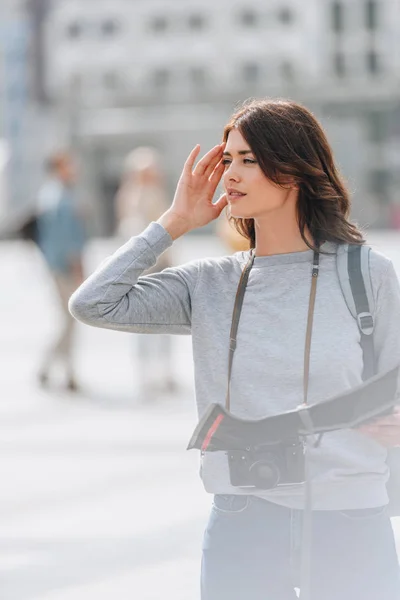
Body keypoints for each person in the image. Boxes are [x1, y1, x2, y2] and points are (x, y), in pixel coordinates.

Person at [69, 99, 400, 600]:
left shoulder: (365, 274)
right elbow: (93, 304)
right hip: (243, 516)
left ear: (293, 170)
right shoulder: (211, 284)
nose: (231, 175)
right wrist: (175, 221)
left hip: (349, 516)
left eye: (249, 160)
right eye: (229, 160)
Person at [114, 147, 177, 397]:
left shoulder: (157, 194)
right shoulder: (131, 197)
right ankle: (146, 373)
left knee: (166, 324)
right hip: (141, 272)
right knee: (141, 325)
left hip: (161, 268)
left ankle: (164, 372)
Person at [36, 151, 86, 392]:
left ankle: (66, 371)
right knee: (70, 319)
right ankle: (51, 367)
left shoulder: (51, 194)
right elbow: (66, 240)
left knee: (69, 320)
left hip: (57, 265)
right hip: (64, 267)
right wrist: (77, 267)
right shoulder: (60, 198)